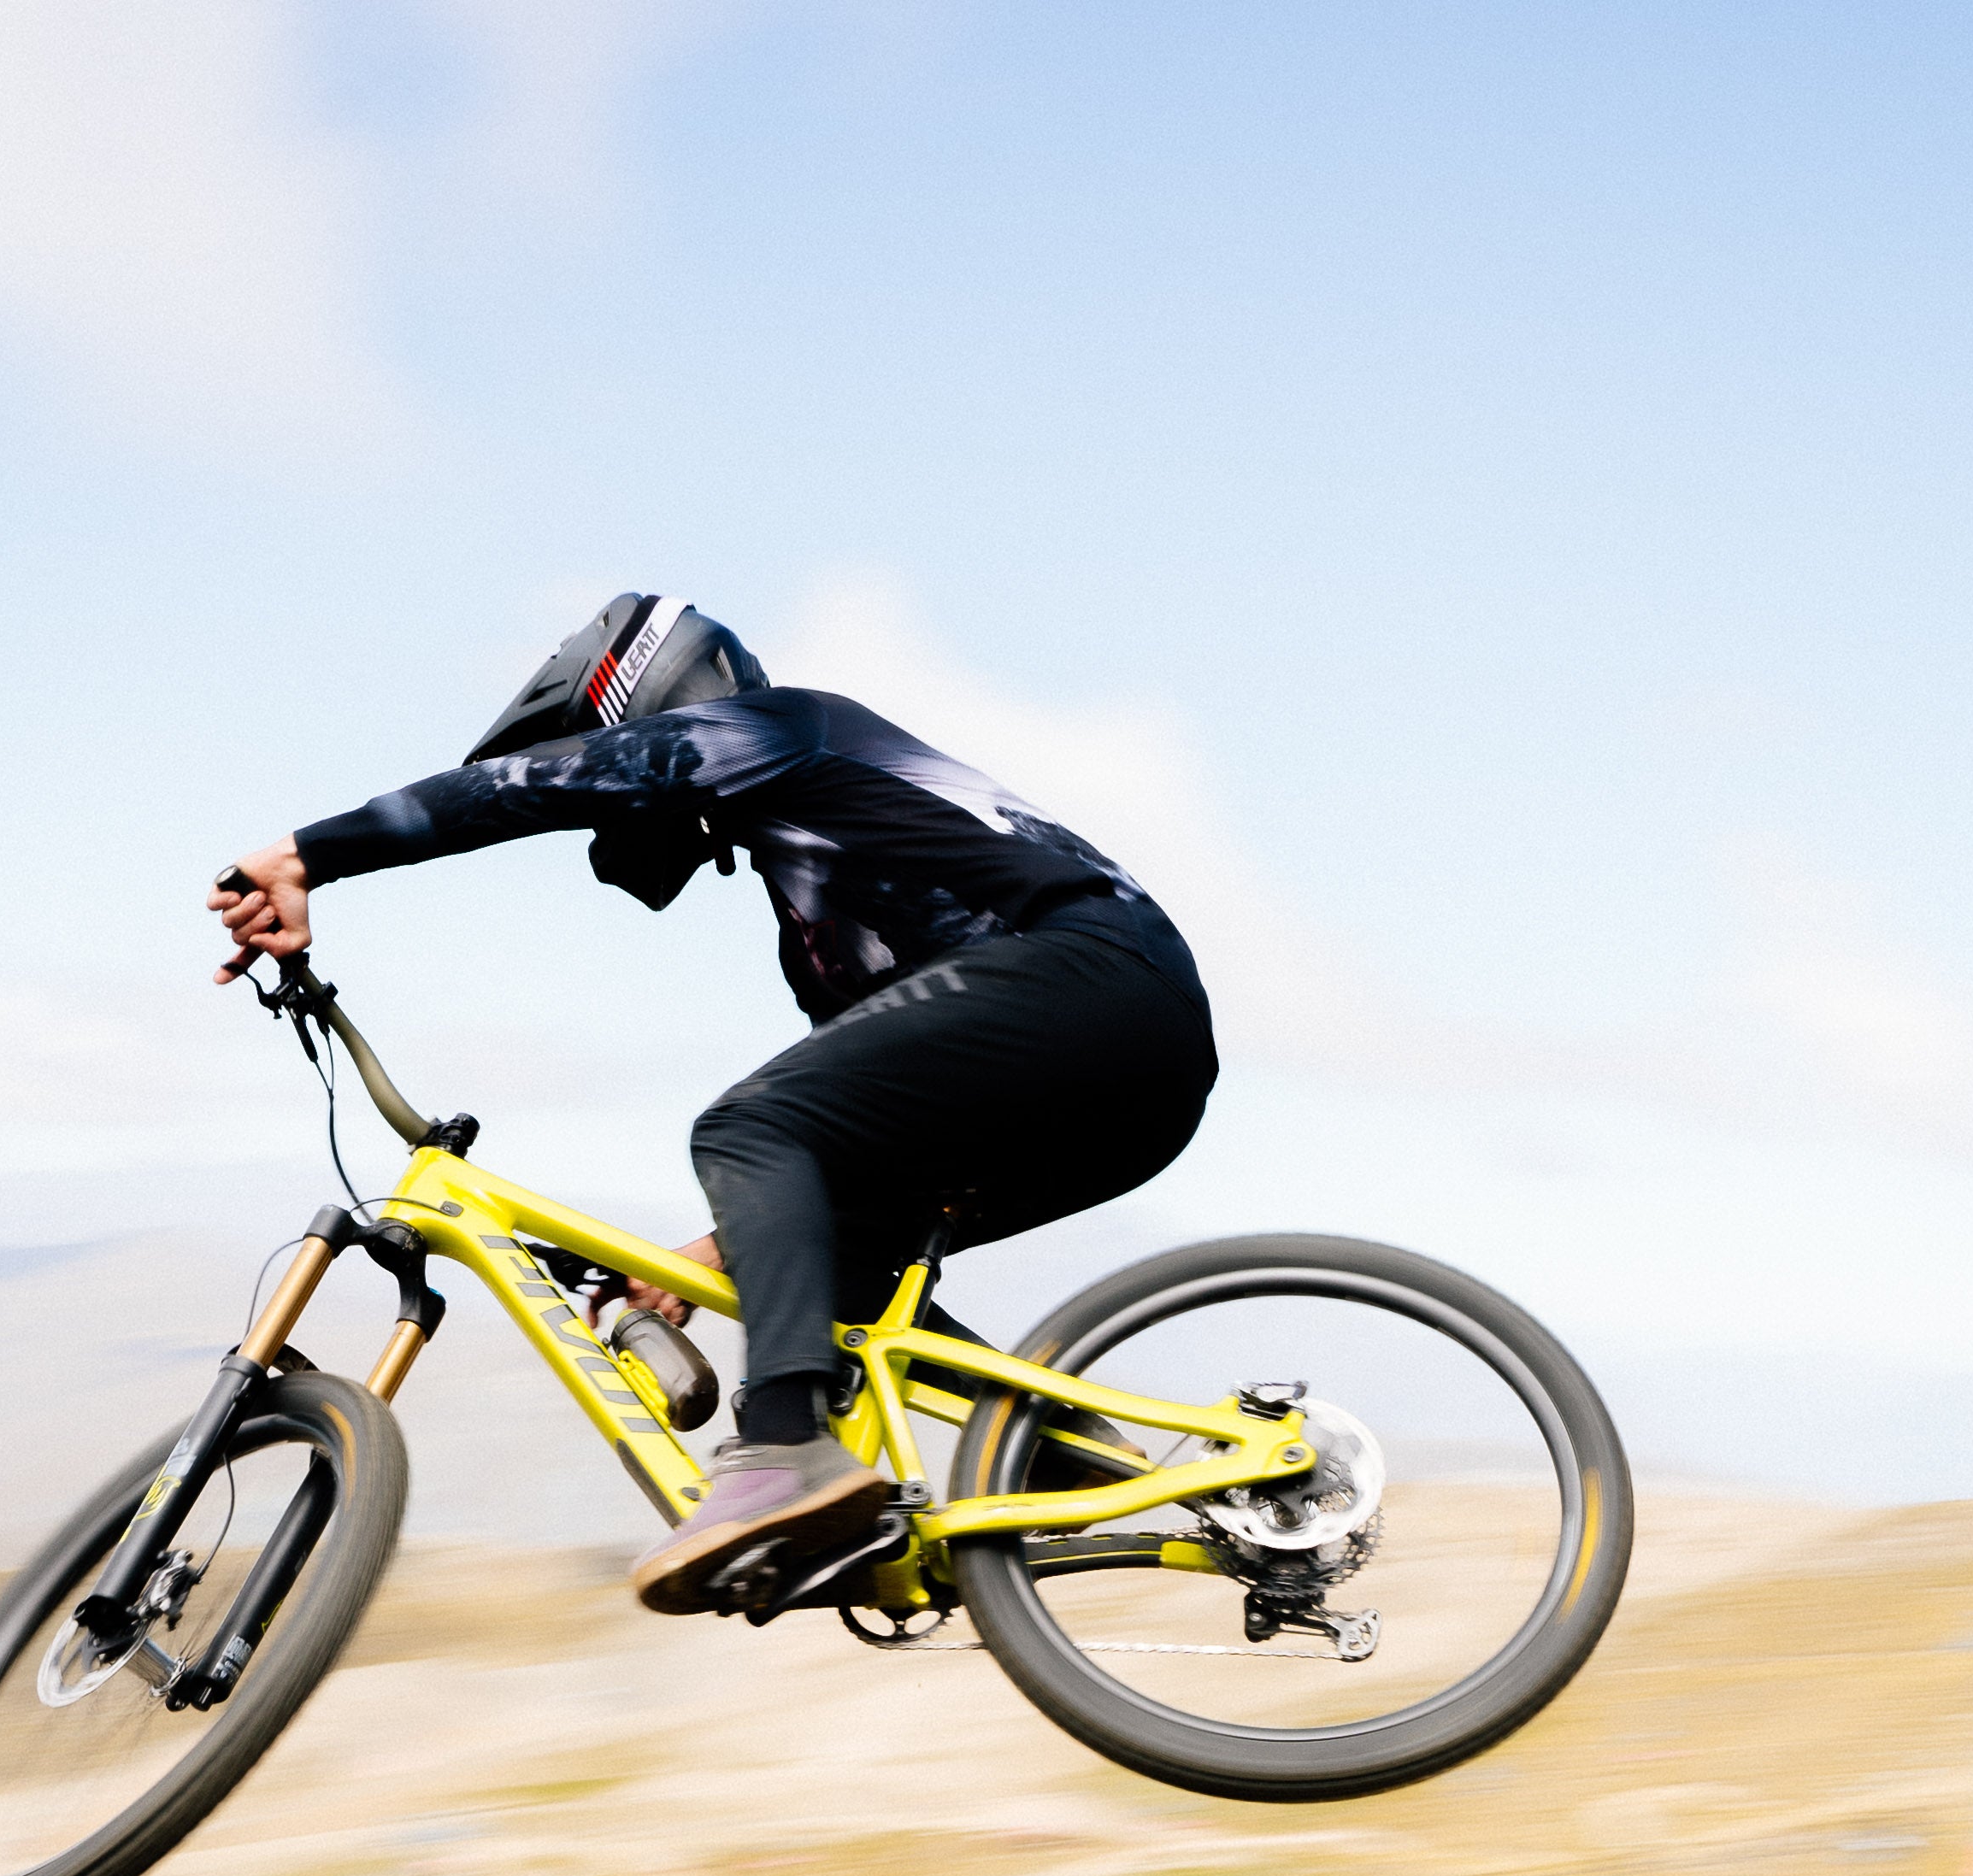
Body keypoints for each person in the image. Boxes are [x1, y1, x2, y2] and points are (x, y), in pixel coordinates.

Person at [209, 593, 1217, 1613]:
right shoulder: (819, 939)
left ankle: (783, 1451)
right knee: (842, 1269)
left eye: (611, 773)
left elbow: (524, 789)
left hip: (1098, 980)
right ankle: (1064, 1443)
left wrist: (307, 854)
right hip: (1122, 1073)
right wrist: (715, 1251)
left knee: (745, 1123)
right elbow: (848, 1143)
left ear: (647, 711)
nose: (605, 824)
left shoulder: (782, 723)